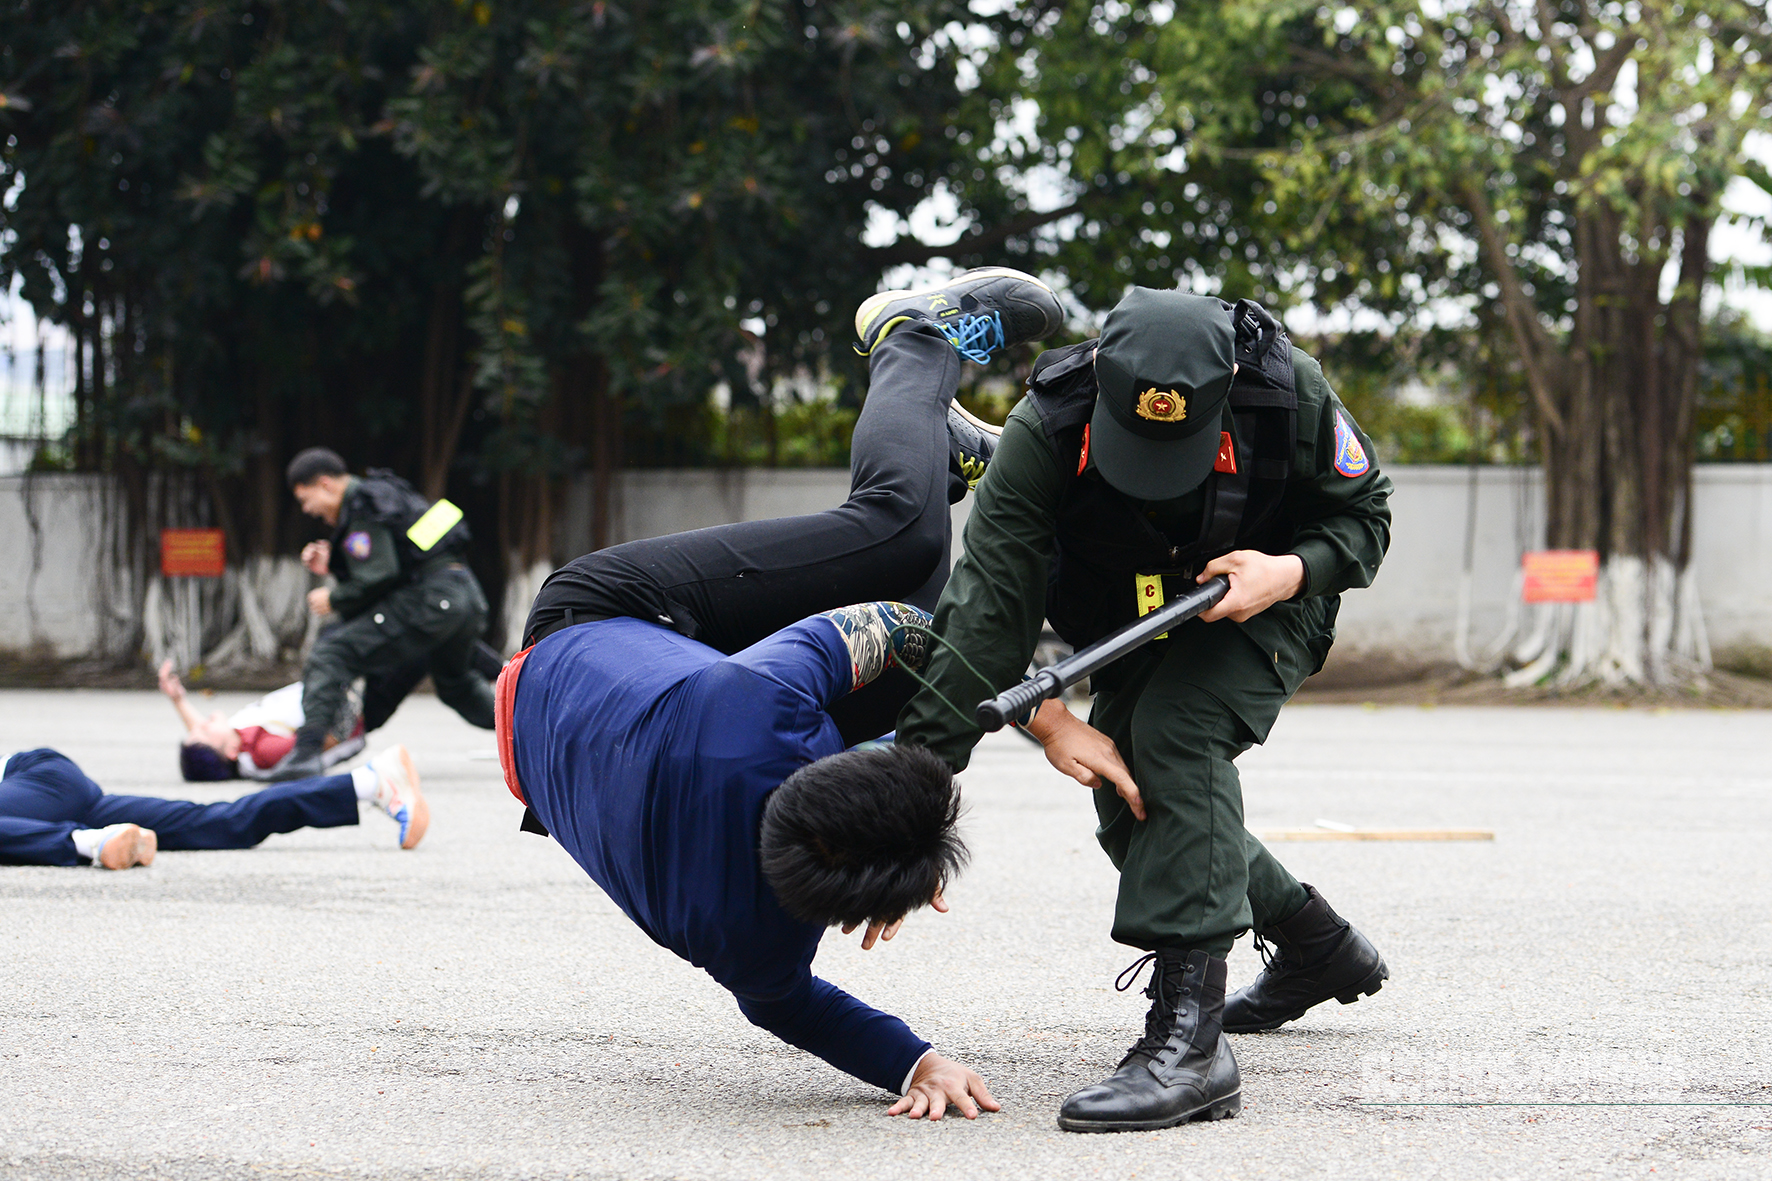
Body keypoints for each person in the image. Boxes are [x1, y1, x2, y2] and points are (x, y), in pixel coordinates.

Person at [500, 267, 1066, 1120]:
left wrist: (1035, 704)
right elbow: (788, 1007)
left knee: (897, 532)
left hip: (594, 619)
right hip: (570, 743)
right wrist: (912, 1059)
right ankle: (939, 452)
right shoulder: (748, 946)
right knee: (921, 641)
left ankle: (914, 334)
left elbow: (897, 626)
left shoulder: (759, 718)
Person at [891, 285, 1394, 1132]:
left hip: (1268, 599)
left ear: (1227, 387)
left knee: (1171, 739)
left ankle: (1192, 1046)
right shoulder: (1048, 424)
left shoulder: (1288, 390)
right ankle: (1315, 942)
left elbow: (1365, 515)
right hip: (1133, 612)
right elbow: (987, 609)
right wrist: (907, 799)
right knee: (1135, 799)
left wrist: (1291, 568)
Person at [270, 452, 497, 780]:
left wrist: (334, 597)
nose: (308, 510)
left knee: (332, 652)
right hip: (464, 596)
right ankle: (534, 730)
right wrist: (335, 563)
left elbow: (378, 575)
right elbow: (395, 564)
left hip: (432, 602)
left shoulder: (361, 506)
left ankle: (305, 754)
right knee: (456, 685)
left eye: (306, 500)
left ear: (325, 484)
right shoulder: (383, 494)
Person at [0, 744, 429, 868]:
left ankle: (90, 844)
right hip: (57, 797)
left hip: (36, 781)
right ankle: (371, 781)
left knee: (217, 821)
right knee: (222, 825)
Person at [157, 659, 365, 781]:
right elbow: (321, 743)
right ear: (231, 752)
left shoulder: (238, 737)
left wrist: (178, 700)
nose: (201, 724)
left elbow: (203, 741)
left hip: (327, 687)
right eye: (204, 731)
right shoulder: (263, 750)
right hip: (346, 704)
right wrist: (347, 692)